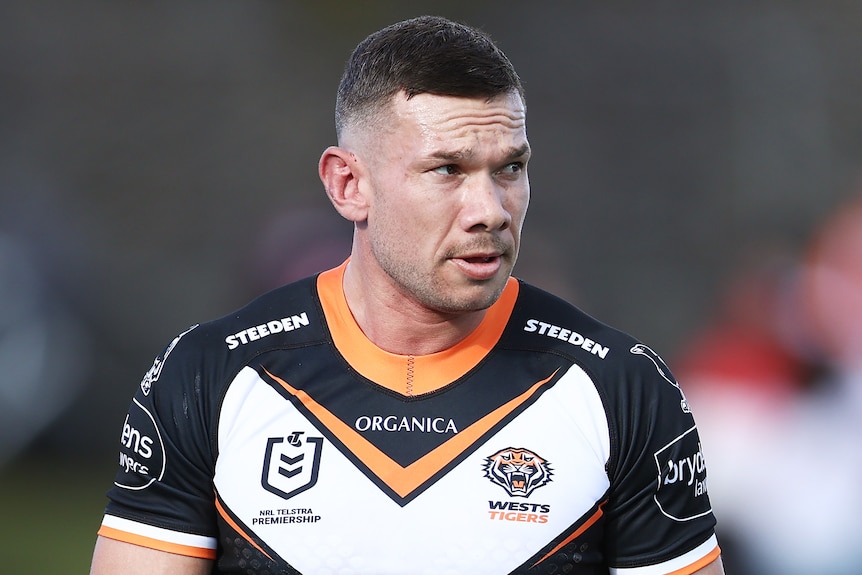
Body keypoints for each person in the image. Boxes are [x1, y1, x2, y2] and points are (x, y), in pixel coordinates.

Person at [90, 15, 724, 575]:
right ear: (348, 185)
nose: (490, 210)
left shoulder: (621, 387)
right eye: (447, 169)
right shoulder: (209, 375)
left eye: (510, 168)